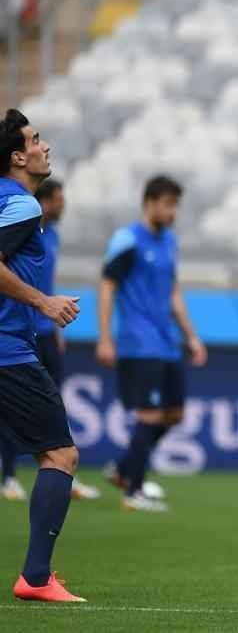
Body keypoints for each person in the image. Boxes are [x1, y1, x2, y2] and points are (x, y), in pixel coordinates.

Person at [0, 109, 86, 602]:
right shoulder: (23, 207)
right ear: (18, 156)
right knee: (59, 454)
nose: (45, 146)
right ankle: (35, 578)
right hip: (6, 351)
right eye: (36, 139)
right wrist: (43, 301)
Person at [97, 175, 208, 513]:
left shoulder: (169, 242)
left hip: (167, 341)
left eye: (176, 205)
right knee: (149, 414)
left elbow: (173, 292)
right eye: (168, 204)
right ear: (149, 202)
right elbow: (106, 287)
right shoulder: (127, 239)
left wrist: (191, 335)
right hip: (138, 341)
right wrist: (104, 337)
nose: (173, 212)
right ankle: (134, 491)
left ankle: (124, 468)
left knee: (174, 414)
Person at [2, 180, 98, 502]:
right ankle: (9, 476)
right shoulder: (19, 224)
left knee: (51, 406)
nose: (63, 206)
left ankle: (58, 471)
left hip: (43, 329)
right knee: (17, 410)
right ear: (44, 202)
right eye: (59, 200)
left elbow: (45, 281)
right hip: (18, 331)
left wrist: (55, 327)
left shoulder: (50, 235)